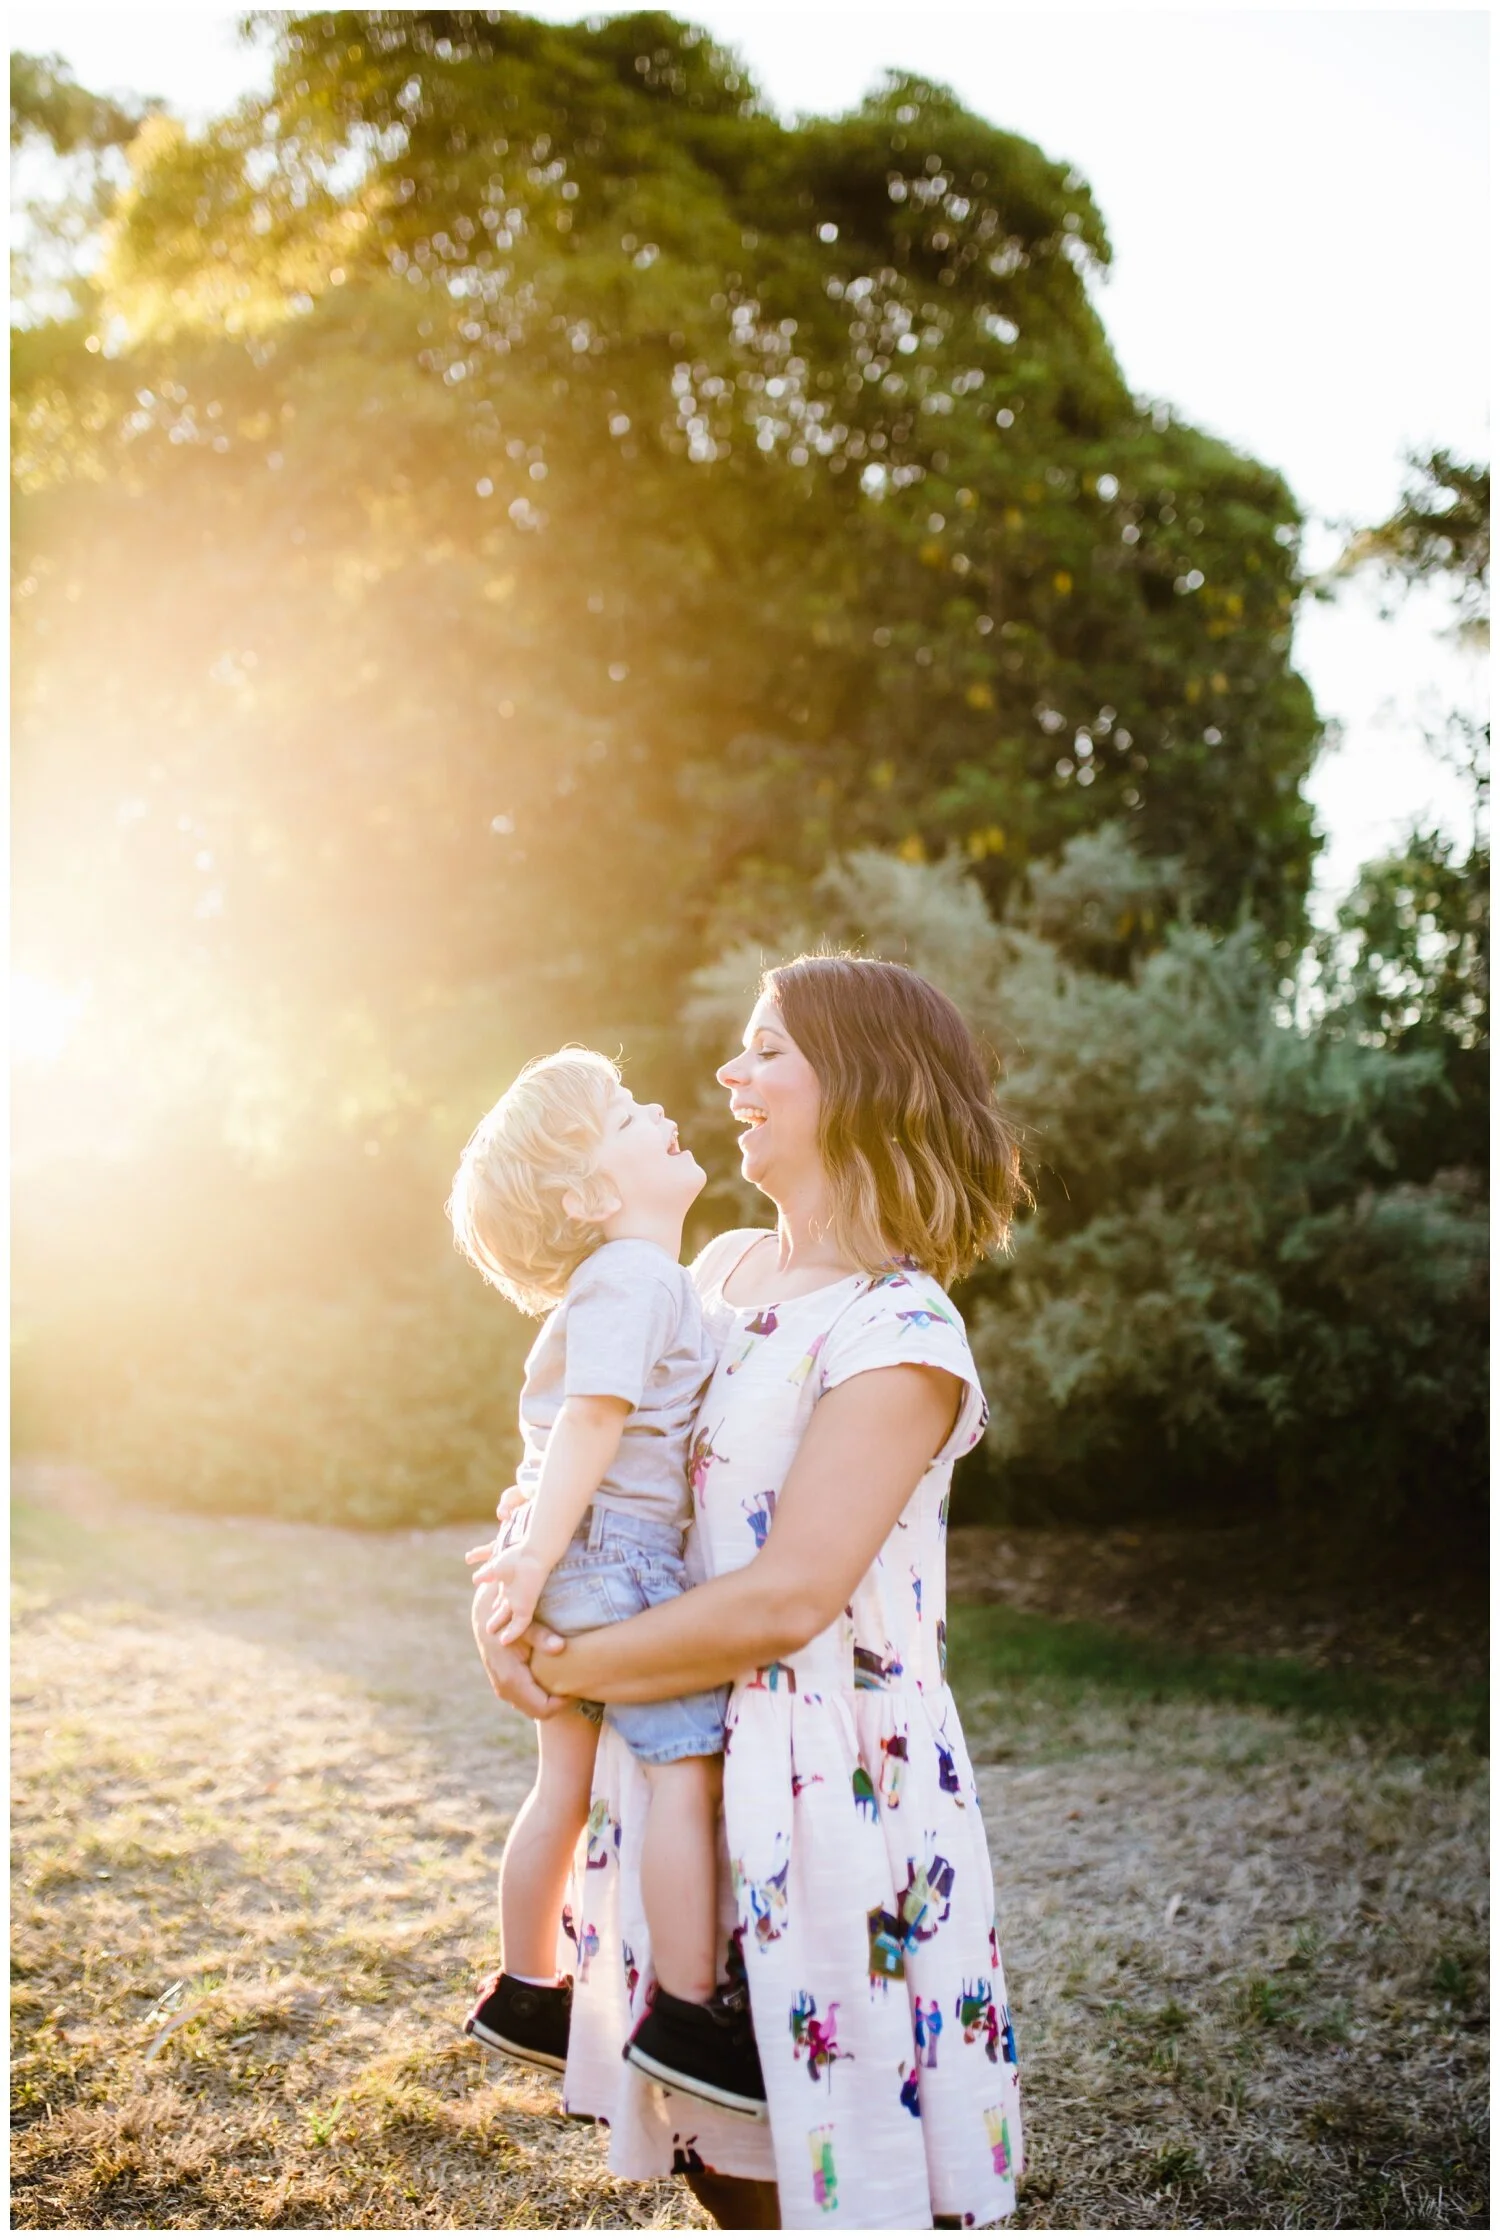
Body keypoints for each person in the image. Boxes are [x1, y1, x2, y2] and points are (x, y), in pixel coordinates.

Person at [472, 957, 1028, 2231]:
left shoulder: (902, 1332)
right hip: (684, 1768)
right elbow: (596, 1459)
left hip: (824, 1786)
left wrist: (565, 1664)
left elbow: (787, 1597)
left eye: (767, 1048)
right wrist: (512, 1585)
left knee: (828, 2159)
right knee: (723, 2155)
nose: (731, 1073)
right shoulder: (711, 1272)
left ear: (863, 1082)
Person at [448, 1049, 766, 2115]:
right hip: (613, 1557)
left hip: (580, 1555)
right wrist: (537, 1553)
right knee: (685, 1771)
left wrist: (539, 1552)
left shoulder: (638, 1283)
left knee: (564, 1784)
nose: (659, 1110)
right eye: (628, 1113)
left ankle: (526, 1986)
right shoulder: (633, 1276)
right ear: (590, 1193)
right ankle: (689, 2012)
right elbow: (593, 1416)